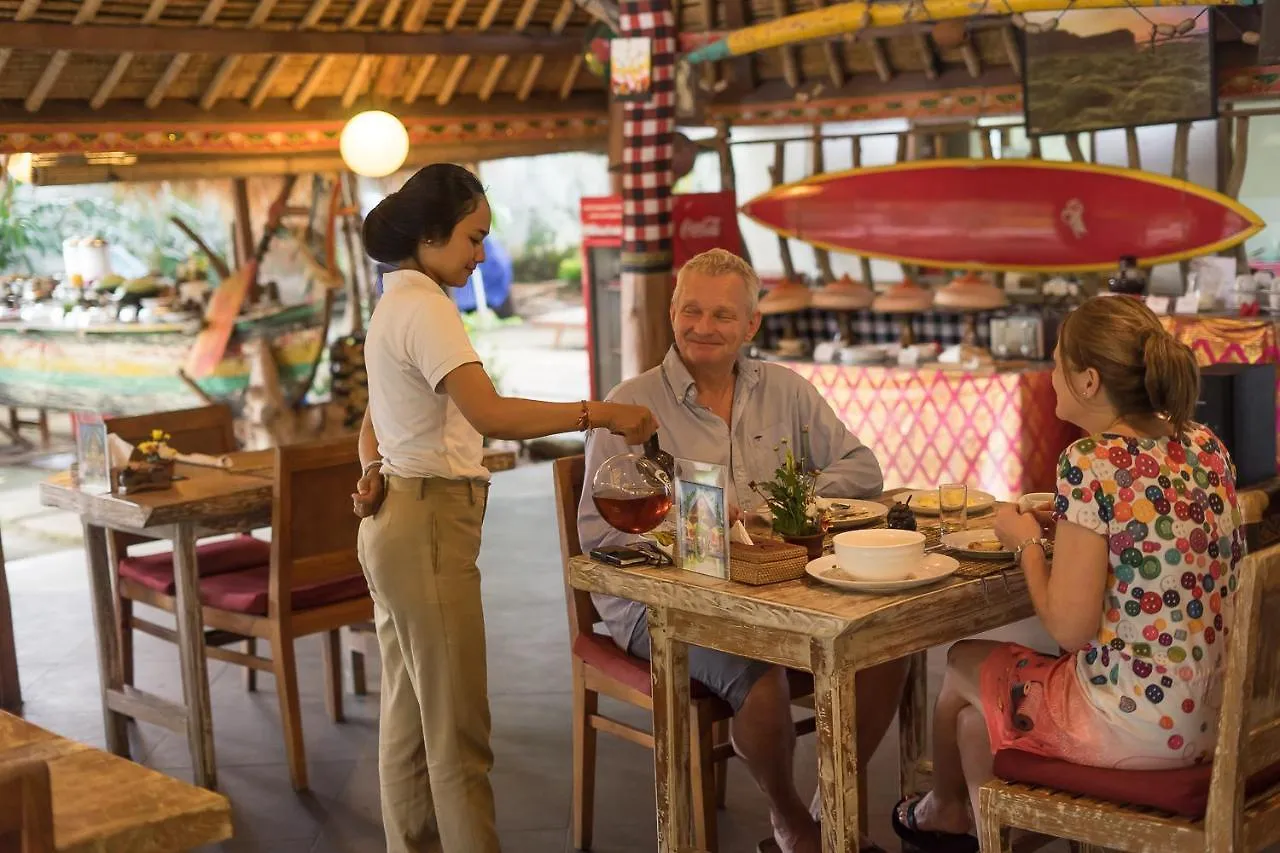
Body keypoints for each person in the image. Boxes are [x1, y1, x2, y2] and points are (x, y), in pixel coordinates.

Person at [350, 163, 657, 853]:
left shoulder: (393, 301)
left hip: (395, 523)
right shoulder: (425, 306)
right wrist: (601, 412)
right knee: (459, 737)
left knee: (409, 724)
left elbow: (371, 421)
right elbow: (489, 411)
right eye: (472, 237)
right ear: (430, 234)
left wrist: (372, 468)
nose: (481, 254)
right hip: (426, 528)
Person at [578, 249, 908, 853]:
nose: (704, 327)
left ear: (751, 325)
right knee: (759, 677)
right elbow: (601, 539)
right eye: (692, 310)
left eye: (723, 315)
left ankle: (831, 808)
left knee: (886, 647)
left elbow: (862, 467)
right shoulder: (631, 405)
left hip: (775, 584)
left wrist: (787, 502)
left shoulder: (785, 389)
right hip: (665, 609)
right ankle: (789, 822)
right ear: (672, 311)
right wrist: (686, 530)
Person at [891, 296, 1244, 853]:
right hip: (1221, 709)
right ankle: (980, 823)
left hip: (1142, 723)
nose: (1048, 374)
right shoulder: (1203, 444)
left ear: (1087, 380)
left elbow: (1068, 631)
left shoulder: (1091, 460)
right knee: (971, 725)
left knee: (961, 662)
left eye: (1056, 362)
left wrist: (1026, 542)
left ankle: (950, 809)